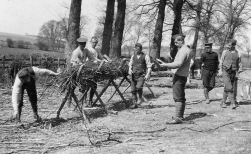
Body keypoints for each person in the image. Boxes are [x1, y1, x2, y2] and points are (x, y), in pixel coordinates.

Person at [159, 34, 193, 124]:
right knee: (180, 97)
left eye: (176, 41)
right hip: (182, 75)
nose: (175, 43)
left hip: (179, 76)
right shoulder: (185, 50)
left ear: (181, 41)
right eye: (174, 41)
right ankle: (180, 117)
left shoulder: (183, 51)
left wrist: (165, 65)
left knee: (178, 97)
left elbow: (178, 64)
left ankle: (178, 118)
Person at [219, 39, 242, 109]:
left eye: (230, 45)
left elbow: (240, 64)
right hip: (225, 71)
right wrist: (220, 70)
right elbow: (221, 61)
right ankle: (233, 103)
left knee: (227, 87)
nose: (228, 46)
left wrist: (239, 72)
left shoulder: (238, 53)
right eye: (228, 45)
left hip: (233, 72)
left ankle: (223, 102)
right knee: (230, 87)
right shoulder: (224, 52)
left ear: (234, 45)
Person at [128, 43, 152, 108]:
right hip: (133, 75)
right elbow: (130, 64)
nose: (137, 50)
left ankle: (140, 98)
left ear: (141, 49)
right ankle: (134, 104)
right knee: (133, 90)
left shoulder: (146, 56)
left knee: (139, 87)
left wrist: (147, 75)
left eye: (138, 49)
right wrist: (130, 69)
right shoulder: (133, 56)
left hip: (141, 75)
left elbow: (149, 66)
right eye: (136, 49)